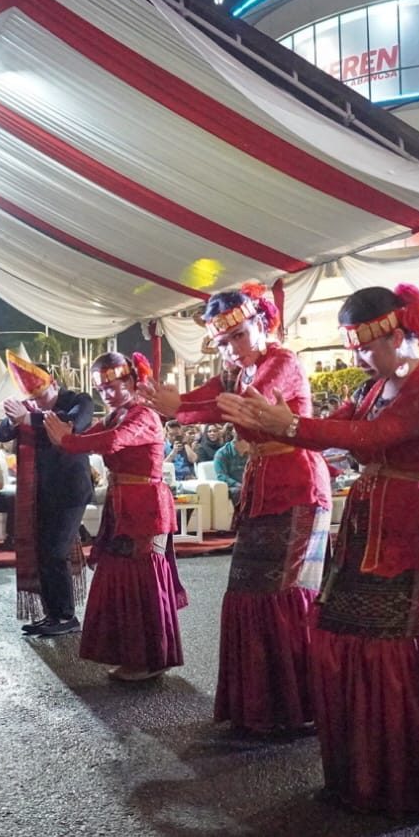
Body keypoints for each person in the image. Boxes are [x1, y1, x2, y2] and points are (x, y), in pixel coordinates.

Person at [220, 284, 419, 818]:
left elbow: (375, 437)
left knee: (392, 647)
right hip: (366, 523)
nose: (359, 357)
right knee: (343, 637)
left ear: (400, 335)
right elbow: (338, 432)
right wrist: (282, 425)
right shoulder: (378, 386)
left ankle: (402, 784)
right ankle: (360, 776)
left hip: (411, 526)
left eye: (367, 346)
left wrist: (288, 424)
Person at [145, 284, 330, 733]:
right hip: (265, 486)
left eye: (239, 337)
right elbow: (208, 398)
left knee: (283, 594)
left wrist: (181, 407)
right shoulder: (241, 371)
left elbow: (239, 408)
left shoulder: (281, 363)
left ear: (262, 324)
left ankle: (295, 707)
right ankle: (262, 705)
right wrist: (177, 404)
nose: (232, 350)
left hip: (298, 486)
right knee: (249, 593)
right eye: (224, 343)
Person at [45, 353, 188, 680]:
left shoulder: (144, 415)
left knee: (145, 581)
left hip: (147, 508)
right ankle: (135, 656)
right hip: (123, 504)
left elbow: (112, 442)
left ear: (132, 380)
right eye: (101, 386)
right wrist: (52, 427)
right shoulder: (118, 415)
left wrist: (67, 440)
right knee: (120, 578)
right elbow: (88, 439)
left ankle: (151, 658)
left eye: (113, 383)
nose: (106, 391)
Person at [0, 353, 94, 636]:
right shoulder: (28, 409)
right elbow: (3, 433)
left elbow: (69, 422)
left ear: (53, 382)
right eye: (33, 398)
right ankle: (53, 613)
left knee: (55, 551)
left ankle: (66, 616)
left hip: (70, 490)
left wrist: (27, 417)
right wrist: (16, 420)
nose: (38, 401)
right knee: (42, 553)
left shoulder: (79, 400)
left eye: (41, 394)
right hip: (39, 490)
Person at [216, 428, 249, 504]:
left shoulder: (250, 453)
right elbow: (221, 476)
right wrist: (239, 485)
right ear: (236, 442)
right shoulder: (222, 453)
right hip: (232, 487)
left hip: (247, 485)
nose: (250, 444)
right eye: (247, 441)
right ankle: (242, 514)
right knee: (238, 492)